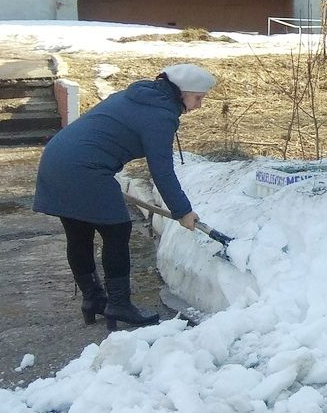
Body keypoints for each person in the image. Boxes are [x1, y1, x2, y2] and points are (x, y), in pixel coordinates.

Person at [34, 63, 217, 330]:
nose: (200, 106)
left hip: (56, 158)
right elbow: (162, 171)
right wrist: (183, 211)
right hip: (85, 168)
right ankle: (118, 305)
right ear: (181, 93)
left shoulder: (138, 95)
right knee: (117, 230)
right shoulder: (160, 115)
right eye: (198, 98)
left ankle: (93, 300)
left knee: (79, 233)